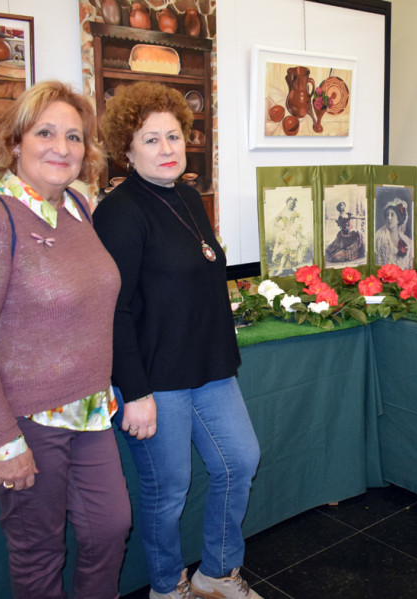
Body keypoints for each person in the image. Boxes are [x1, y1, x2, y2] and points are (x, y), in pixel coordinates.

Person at [0, 80, 130, 598]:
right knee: (38, 550)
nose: (62, 147)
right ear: (16, 141)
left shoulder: (76, 208)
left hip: (88, 409)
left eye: (74, 136)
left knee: (110, 527)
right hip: (22, 416)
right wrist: (4, 442)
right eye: (46, 132)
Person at [93, 81, 262, 599]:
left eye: (173, 136)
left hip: (208, 366)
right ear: (126, 149)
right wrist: (135, 392)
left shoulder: (188, 196)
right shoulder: (119, 213)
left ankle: (218, 571)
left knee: (240, 460)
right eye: (151, 139)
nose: (167, 149)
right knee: (168, 491)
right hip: (154, 379)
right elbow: (114, 311)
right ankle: (168, 586)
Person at [374, 196, 413, 268]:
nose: (389, 218)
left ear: (399, 219)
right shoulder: (379, 237)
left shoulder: (407, 242)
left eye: (392, 215)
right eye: (387, 215)